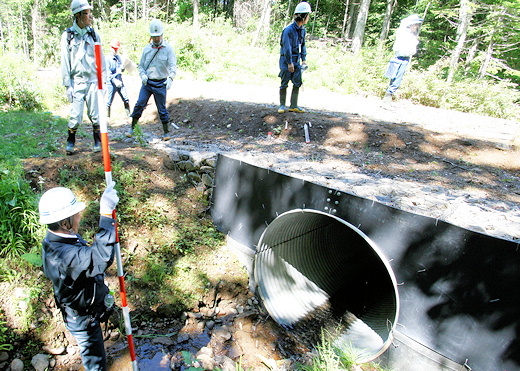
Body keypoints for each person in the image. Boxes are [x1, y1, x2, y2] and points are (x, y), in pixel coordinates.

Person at [39, 182, 119, 371]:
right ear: (65, 223)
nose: (80, 217)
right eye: (76, 215)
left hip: (83, 309)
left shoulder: (57, 238)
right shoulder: (63, 256)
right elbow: (100, 258)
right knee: (95, 362)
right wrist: (106, 215)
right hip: (83, 319)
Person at [61, 0, 105, 155]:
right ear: (78, 16)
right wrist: (68, 85)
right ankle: (71, 141)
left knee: (95, 114)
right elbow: (65, 62)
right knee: (76, 115)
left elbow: (102, 58)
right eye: (86, 13)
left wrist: (103, 81)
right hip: (77, 81)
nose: (90, 17)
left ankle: (97, 140)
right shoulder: (68, 36)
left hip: (93, 80)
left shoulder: (93, 35)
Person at [127, 19, 177, 141]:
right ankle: (132, 128)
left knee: (162, 109)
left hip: (161, 83)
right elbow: (141, 66)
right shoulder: (147, 49)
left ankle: (166, 132)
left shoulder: (168, 49)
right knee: (139, 104)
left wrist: (170, 78)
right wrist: (143, 75)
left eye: (158, 36)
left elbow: (173, 66)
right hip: (147, 83)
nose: (156, 39)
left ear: (162, 35)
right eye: (154, 37)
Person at [278, 1, 311, 114]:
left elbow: (303, 45)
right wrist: (289, 63)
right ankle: (282, 105)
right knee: (284, 82)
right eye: (308, 15)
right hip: (286, 61)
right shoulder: (288, 30)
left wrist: (304, 60)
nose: (308, 18)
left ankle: (294, 105)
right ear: (304, 16)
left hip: (296, 60)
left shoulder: (302, 30)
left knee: (297, 82)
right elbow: (286, 47)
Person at [383, 14, 423, 103]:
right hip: (398, 57)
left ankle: (388, 97)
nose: (416, 27)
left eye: (417, 25)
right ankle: (387, 97)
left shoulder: (412, 35)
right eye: (415, 25)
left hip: (405, 58)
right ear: (411, 25)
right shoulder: (403, 33)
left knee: (397, 79)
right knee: (394, 77)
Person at [106, 39, 131, 119]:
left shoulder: (118, 58)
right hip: (111, 82)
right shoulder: (107, 59)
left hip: (120, 81)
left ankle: (128, 115)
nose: (115, 50)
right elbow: (107, 72)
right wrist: (114, 80)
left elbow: (121, 69)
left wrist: (123, 66)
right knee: (109, 100)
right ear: (110, 47)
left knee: (125, 98)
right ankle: (107, 116)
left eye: (116, 48)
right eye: (114, 48)